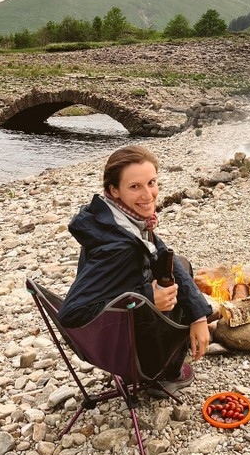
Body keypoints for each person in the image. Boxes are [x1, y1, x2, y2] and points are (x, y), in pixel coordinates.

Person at [58, 145, 212, 393]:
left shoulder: (117, 219)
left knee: (179, 264)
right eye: (135, 187)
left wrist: (199, 315)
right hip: (126, 349)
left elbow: (161, 252)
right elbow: (72, 314)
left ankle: (168, 353)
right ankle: (162, 375)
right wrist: (147, 298)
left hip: (123, 332)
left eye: (151, 182)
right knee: (174, 279)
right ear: (114, 190)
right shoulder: (120, 247)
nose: (148, 195)